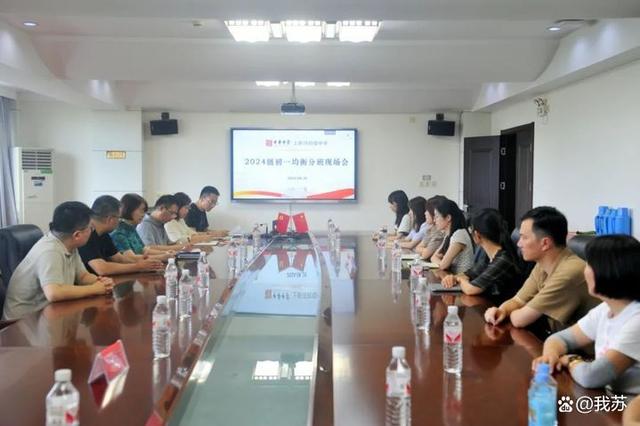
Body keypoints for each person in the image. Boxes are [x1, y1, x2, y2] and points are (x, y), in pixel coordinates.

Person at [533, 235, 640, 395]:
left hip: (628, 405)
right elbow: (559, 338)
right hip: (607, 397)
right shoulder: (605, 309)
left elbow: (592, 376)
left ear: (607, 271)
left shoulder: (636, 320)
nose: (585, 270)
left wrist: (570, 359)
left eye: (589, 264)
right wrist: (551, 356)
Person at [484, 206, 598, 331]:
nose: (519, 243)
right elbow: (518, 300)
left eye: (524, 237)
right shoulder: (542, 264)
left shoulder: (569, 272)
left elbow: (520, 320)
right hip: (559, 337)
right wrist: (501, 310)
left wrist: (510, 312)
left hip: (588, 343)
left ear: (545, 243)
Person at [2, 201, 114, 321]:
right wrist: (94, 289)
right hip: (21, 323)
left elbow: (82, 276)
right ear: (77, 235)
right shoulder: (50, 251)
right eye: (90, 228)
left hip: (46, 313)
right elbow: (54, 293)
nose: (92, 231)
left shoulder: (69, 244)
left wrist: (100, 282)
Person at [441, 208, 525, 302]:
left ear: (477, 235)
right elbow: (469, 274)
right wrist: (453, 278)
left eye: (470, 230)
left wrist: (460, 280)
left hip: (499, 308)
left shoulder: (503, 259)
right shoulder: (488, 256)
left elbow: (471, 289)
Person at [78, 195, 164, 276]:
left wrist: (143, 261)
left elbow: (119, 259)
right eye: (119, 218)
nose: (120, 221)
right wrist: (138, 266)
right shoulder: (86, 235)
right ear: (110, 219)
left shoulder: (104, 234)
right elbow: (102, 269)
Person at [110, 193, 182, 260]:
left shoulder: (130, 227)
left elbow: (144, 249)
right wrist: (162, 256)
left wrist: (166, 253)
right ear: (130, 209)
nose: (143, 215)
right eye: (141, 211)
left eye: (144, 212)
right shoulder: (119, 231)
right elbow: (130, 258)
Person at [430, 198, 474, 273]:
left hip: (460, 278)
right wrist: (439, 261)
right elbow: (433, 257)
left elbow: (443, 265)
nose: (434, 220)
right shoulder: (449, 235)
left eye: (437, 216)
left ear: (448, 218)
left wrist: (439, 261)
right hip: (451, 276)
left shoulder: (459, 235)